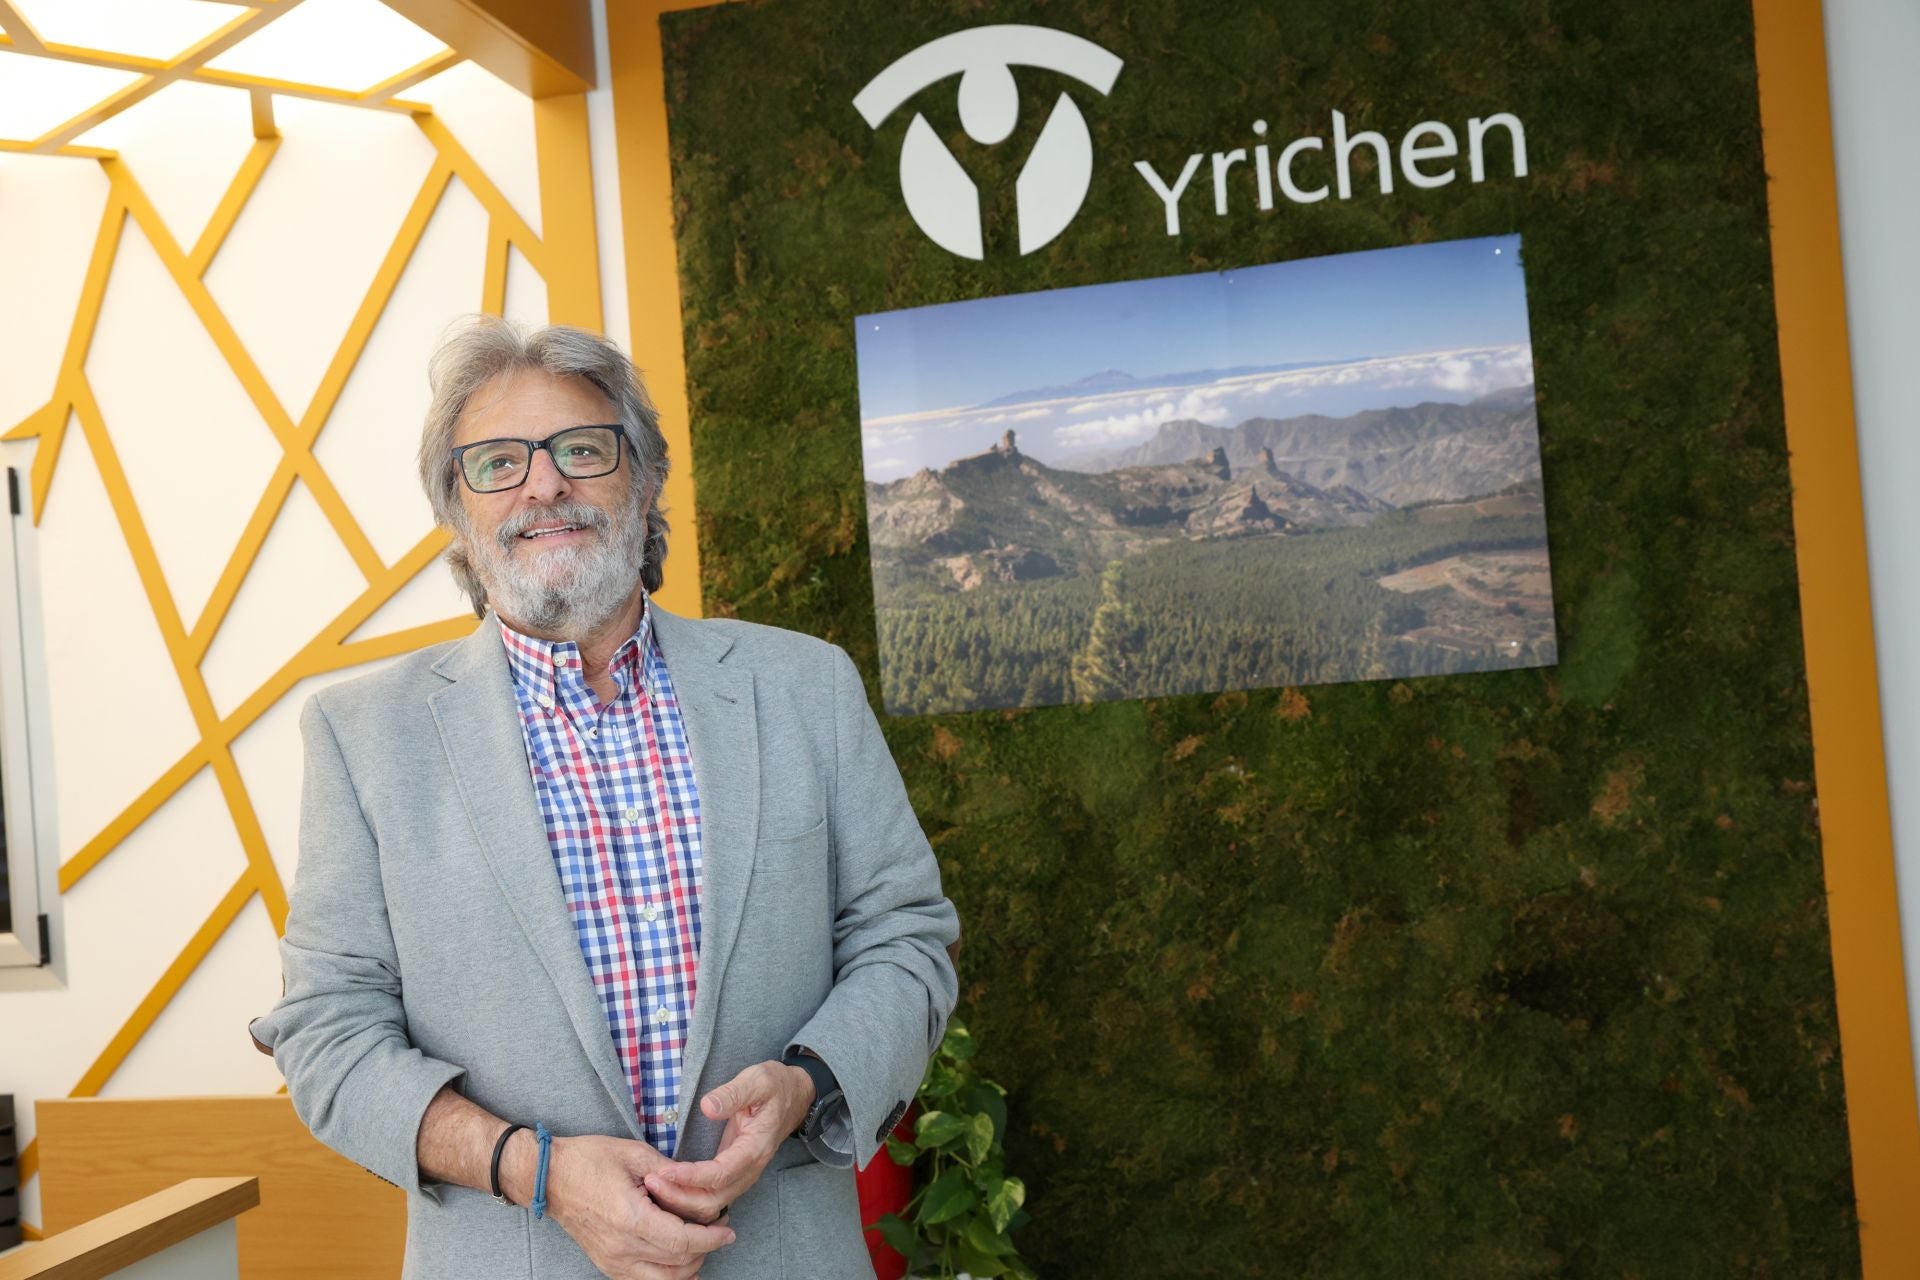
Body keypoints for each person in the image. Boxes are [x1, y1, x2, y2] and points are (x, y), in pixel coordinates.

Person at [249, 317, 961, 1279]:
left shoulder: (806, 689)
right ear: (458, 512)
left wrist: (811, 1084)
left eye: (582, 450)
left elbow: (905, 937)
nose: (545, 484)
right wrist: (531, 1170)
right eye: (497, 462)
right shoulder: (362, 738)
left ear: (645, 478)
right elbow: (329, 1034)